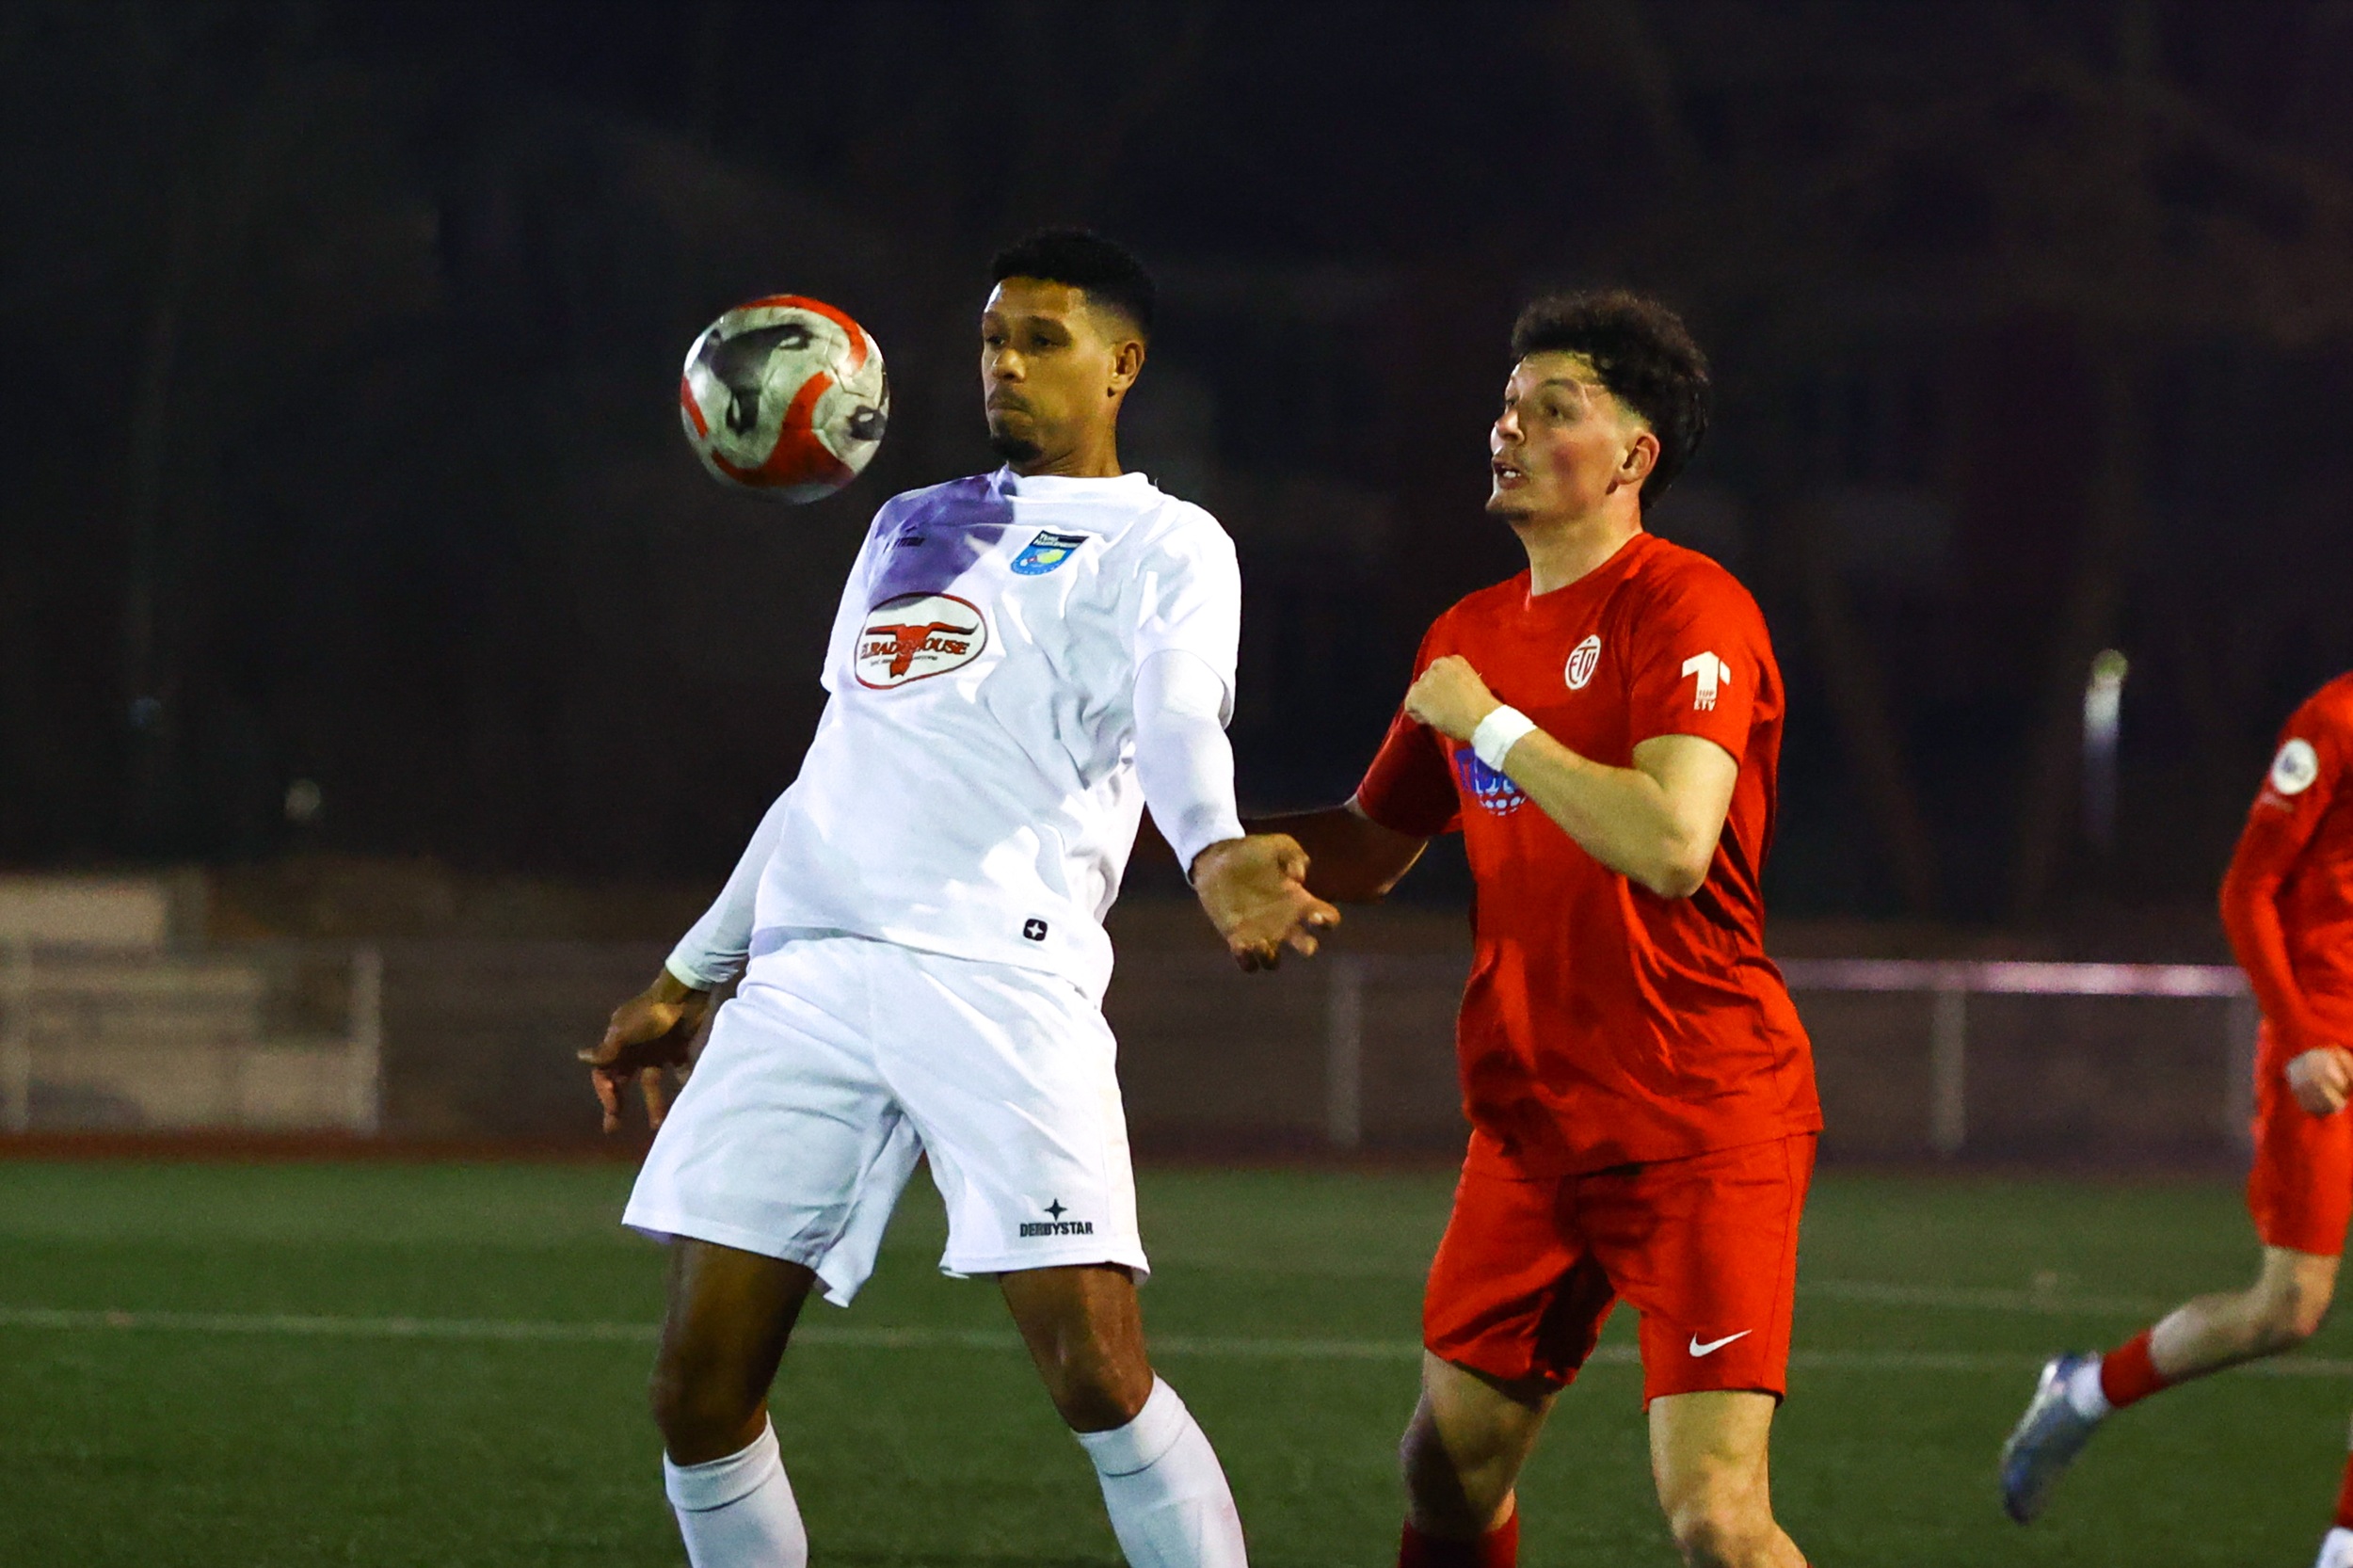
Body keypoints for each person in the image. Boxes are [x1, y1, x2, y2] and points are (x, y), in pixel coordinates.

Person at [580, 229, 1337, 1568]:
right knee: (695, 1396)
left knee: (1096, 1375)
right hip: (808, 980)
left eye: (1044, 339)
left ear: (1124, 366)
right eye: (994, 338)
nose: (1007, 363)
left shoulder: (1167, 541)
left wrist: (1216, 847)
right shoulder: (906, 521)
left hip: (999, 974)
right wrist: (691, 972)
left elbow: (1176, 719)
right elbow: (833, 771)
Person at [1257, 291, 1819, 1568]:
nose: (1508, 430)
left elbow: (1674, 843)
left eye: (1552, 409)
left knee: (1718, 1519)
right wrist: (1194, 840)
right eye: (1505, 408)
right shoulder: (1467, 634)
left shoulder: (1689, 607)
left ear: (1635, 455)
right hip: (1532, 1122)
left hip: (1699, 1116)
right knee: (1445, 1469)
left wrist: (1495, 727)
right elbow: (1372, 842)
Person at [2001, 673, 2353, 1563]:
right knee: (2287, 1309)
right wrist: (2304, 1037)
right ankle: (2087, 1392)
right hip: (2327, 1052)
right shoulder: (2334, 721)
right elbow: (2246, 890)